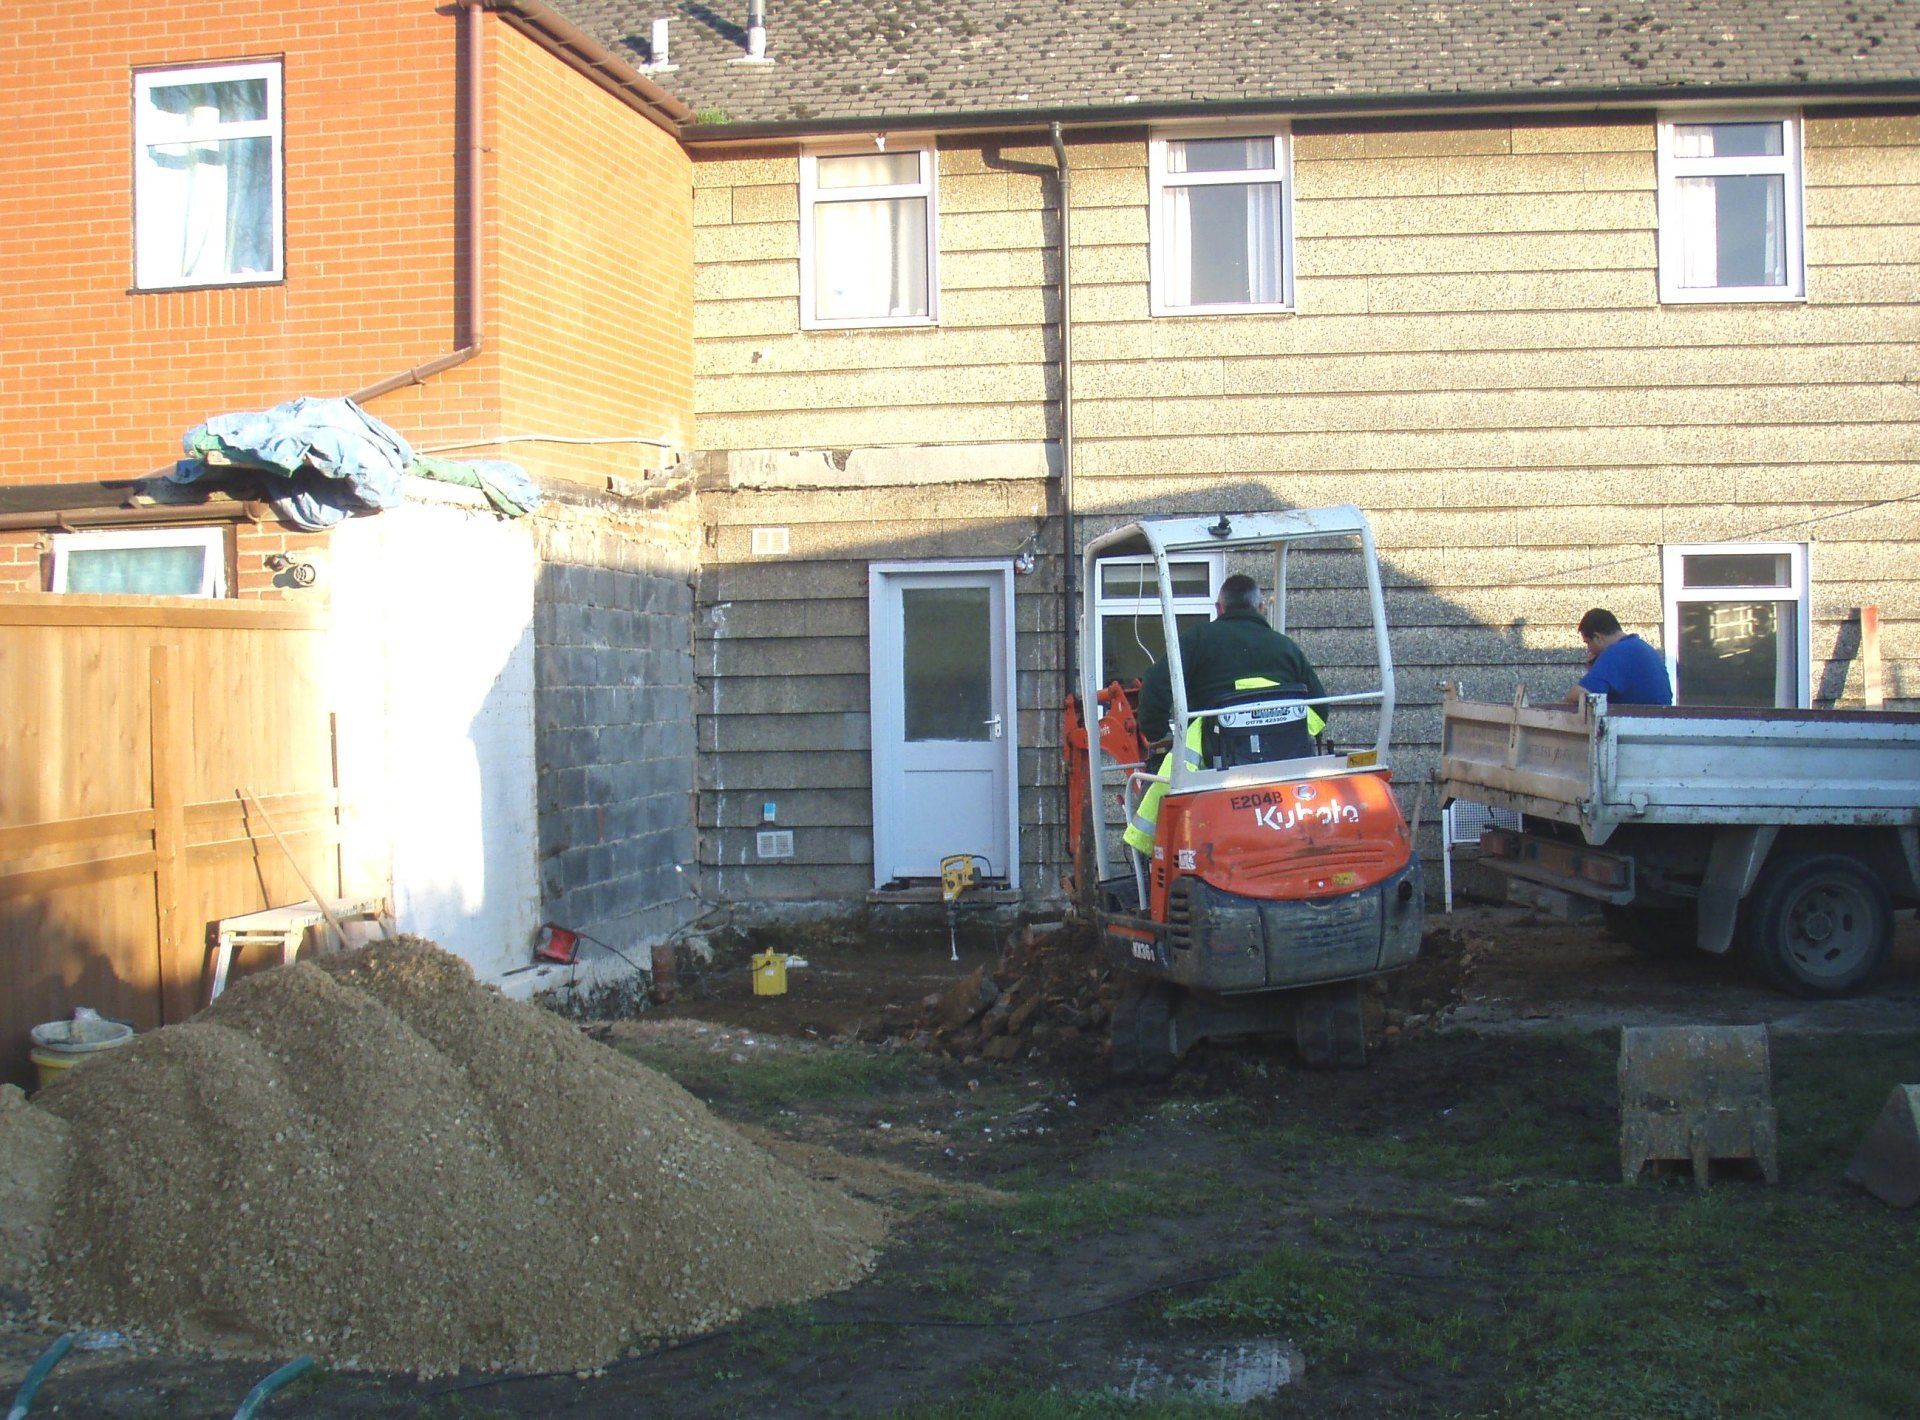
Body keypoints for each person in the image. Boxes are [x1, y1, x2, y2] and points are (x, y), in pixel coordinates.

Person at [1125, 574, 1325, 856]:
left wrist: (1159, 736)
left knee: (1161, 787)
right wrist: (1290, 737)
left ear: (1219, 609)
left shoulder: (1197, 641)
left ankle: (1152, 870)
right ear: (1260, 608)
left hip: (1209, 768)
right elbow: (1321, 710)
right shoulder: (1286, 647)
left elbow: (1154, 689)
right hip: (1285, 769)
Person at [1565, 607, 1673, 707]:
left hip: (1633, 726)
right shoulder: (1642, 648)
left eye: (1588, 642)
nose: (1589, 649)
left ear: (1597, 637)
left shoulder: (1614, 653)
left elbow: (1578, 695)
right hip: (1660, 722)